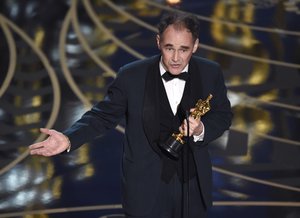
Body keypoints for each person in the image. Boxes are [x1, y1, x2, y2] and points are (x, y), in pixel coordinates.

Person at [29, 12, 232, 218]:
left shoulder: (210, 72)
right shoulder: (131, 75)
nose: (176, 58)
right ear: (158, 42)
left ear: (195, 46)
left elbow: (223, 115)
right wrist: (70, 138)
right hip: (145, 188)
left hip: (192, 188)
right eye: (169, 48)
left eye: (184, 49)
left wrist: (201, 129)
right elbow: (102, 116)